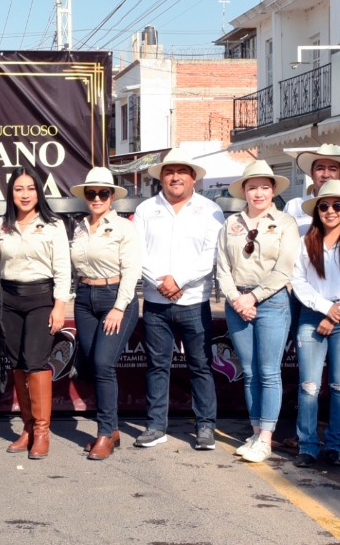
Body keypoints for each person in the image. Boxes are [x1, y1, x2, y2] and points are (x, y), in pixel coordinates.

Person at [133, 148, 223, 451]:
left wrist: (179, 280)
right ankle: (156, 426)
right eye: (169, 172)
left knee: (201, 366)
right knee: (157, 366)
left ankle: (205, 427)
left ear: (193, 177)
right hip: (156, 302)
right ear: (161, 177)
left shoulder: (211, 210)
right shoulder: (146, 209)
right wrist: (162, 282)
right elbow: (137, 252)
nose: (175, 177)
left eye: (182, 172)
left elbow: (211, 254)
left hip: (194, 301)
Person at [216, 160, 299, 464]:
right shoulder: (231, 224)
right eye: (252, 187)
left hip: (272, 301)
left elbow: (284, 268)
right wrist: (237, 298)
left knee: (269, 372)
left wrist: (253, 297)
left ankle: (266, 438)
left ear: (273, 190)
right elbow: (222, 267)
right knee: (249, 372)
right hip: (237, 301)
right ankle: (254, 433)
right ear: (244, 191)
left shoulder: (286, 223)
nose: (259, 193)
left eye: (265, 187)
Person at [0, 166, 72, 460]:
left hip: (41, 299)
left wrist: (59, 306)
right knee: (18, 365)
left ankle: (42, 431)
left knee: (35, 363)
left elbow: (63, 269)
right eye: (19, 189)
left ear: (39, 191)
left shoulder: (53, 225)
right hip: (9, 299)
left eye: (30, 188)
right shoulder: (1, 225)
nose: (25, 194)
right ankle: (27, 429)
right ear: (10, 193)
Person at [291, 180, 340, 467]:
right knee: (309, 386)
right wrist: (326, 310)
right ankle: (307, 446)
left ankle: (336, 445)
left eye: (337, 205)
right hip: (312, 315)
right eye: (324, 206)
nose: (331, 211)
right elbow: (298, 282)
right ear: (317, 211)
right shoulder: (304, 244)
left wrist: (334, 316)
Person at [68, 167, 142, 461]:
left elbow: (132, 271)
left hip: (115, 296)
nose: (97, 198)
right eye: (91, 193)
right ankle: (112, 431)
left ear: (112, 196)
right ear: (85, 196)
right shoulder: (79, 227)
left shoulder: (124, 227)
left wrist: (119, 308)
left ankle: (105, 432)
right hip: (85, 298)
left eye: (103, 193)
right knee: (92, 364)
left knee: (103, 364)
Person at [282, 144, 340, 227]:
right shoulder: (293, 206)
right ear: (311, 173)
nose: (326, 175)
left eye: (332, 169)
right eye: (320, 168)